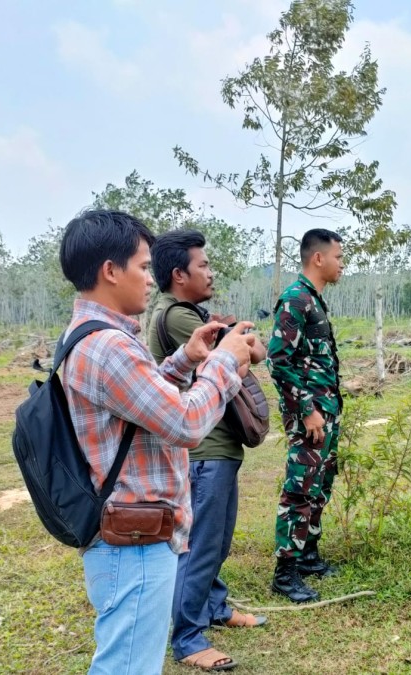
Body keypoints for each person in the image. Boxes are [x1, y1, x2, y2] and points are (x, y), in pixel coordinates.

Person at [58, 210, 255, 674]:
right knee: (128, 667)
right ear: (111, 270)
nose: (151, 280)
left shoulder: (90, 337)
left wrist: (185, 359)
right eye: (144, 268)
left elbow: (136, 405)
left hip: (127, 532)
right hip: (136, 540)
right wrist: (223, 363)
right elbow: (185, 422)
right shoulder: (109, 347)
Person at [147, 229, 267, 672]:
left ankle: (214, 606)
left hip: (219, 446)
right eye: (203, 266)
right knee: (200, 545)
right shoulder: (179, 317)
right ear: (179, 275)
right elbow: (240, 355)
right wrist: (240, 341)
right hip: (205, 450)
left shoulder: (190, 313)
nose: (211, 272)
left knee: (215, 541)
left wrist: (242, 343)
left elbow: (253, 353)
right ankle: (188, 637)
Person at [267, 228, 344, 603]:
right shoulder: (295, 300)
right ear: (319, 258)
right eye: (339, 257)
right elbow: (278, 360)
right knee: (299, 489)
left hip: (327, 411)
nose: (342, 264)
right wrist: (308, 410)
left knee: (319, 485)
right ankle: (285, 572)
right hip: (310, 415)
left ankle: (309, 555)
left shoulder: (314, 300)